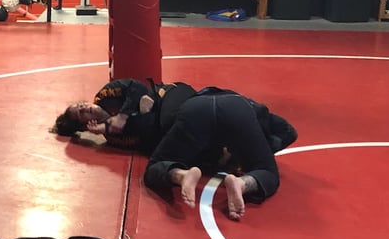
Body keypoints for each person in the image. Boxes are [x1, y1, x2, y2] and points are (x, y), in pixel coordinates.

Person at [55, 80, 298, 220]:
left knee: (159, 161)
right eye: (81, 113)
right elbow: (287, 131)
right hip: (233, 109)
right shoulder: (112, 137)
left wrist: (124, 116)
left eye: (81, 105)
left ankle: (183, 174)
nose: (85, 108)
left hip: (186, 109)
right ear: (86, 125)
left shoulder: (106, 95)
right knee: (266, 171)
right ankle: (244, 182)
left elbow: (137, 89)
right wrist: (246, 154)